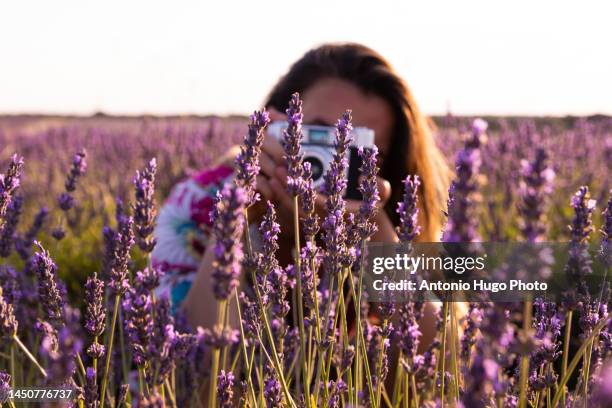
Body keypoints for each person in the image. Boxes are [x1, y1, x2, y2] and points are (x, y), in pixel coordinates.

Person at [151, 42, 452, 342]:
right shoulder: (197, 204)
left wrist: (375, 228)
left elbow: (438, 367)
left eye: (358, 152)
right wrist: (232, 223)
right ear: (275, 128)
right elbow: (196, 377)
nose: (334, 164)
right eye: (321, 138)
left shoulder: (397, 222)